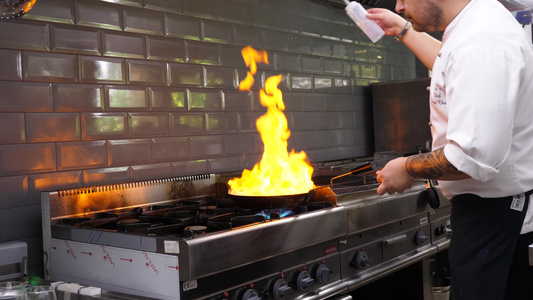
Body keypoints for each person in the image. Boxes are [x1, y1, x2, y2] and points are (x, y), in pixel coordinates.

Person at [366, 0, 533, 299]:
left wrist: (406, 168)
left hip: (500, 220)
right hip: (489, 215)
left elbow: (471, 156)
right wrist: (402, 29)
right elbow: (450, 63)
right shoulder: (474, 28)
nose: (400, 5)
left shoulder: (482, 39)